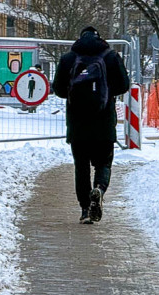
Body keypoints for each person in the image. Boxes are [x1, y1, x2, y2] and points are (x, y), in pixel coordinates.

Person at [52, 26, 130, 224]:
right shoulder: (111, 57)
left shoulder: (68, 58)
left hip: (77, 123)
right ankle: (100, 190)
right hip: (103, 121)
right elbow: (124, 85)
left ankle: (85, 209)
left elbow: (59, 89)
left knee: (81, 166)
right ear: (99, 38)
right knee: (104, 162)